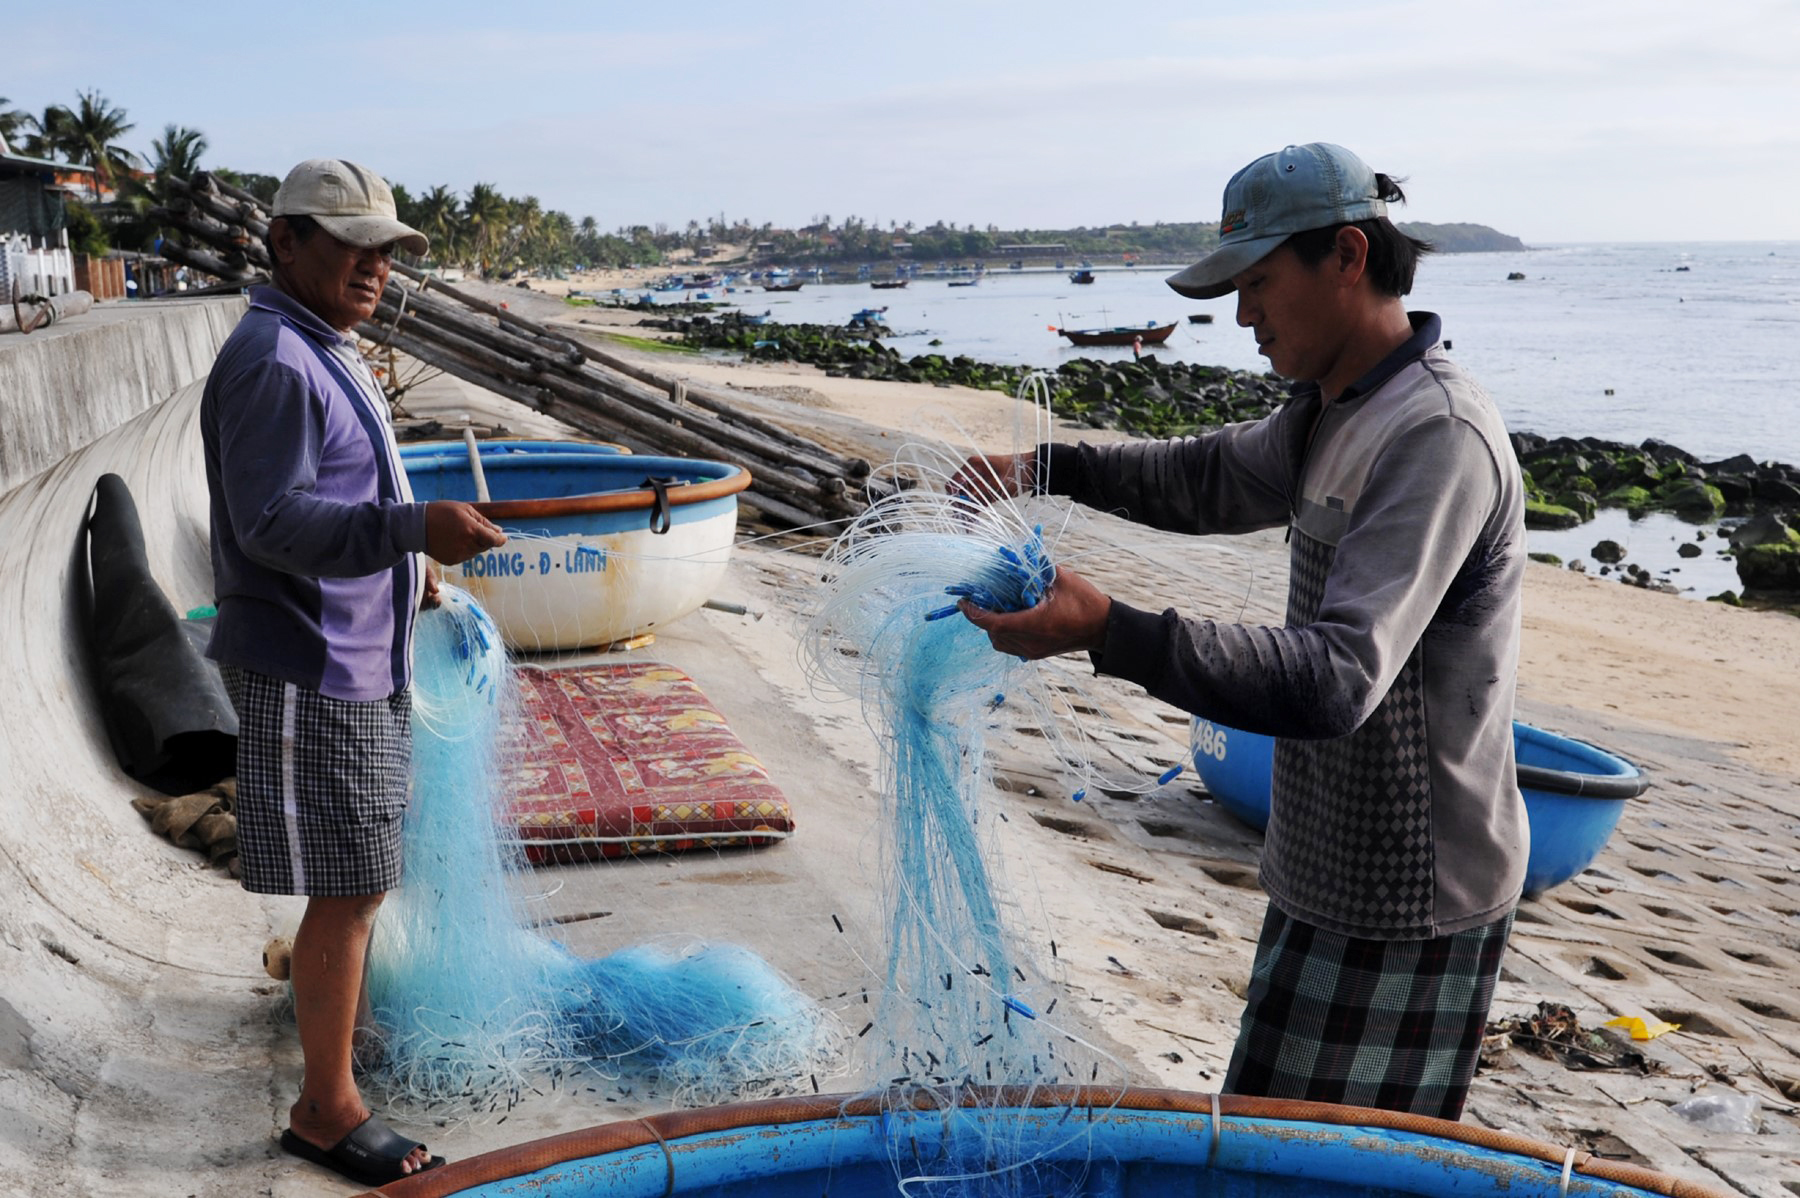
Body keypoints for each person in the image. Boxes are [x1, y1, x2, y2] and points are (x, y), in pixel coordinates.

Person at [950, 143, 1526, 1120]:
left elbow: (1338, 678)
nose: (1243, 315)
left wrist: (1108, 630)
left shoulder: (1435, 434)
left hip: (1409, 900)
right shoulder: (1332, 410)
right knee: (1261, 1146)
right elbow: (1206, 477)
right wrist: (1054, 468)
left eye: (1258, 283)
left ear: (1347, 256)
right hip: (1318, 866)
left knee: (1341, 1181)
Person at [201, 158, 507, 1185]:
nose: (374, 265)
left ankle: (342, 1041)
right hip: (313, 666)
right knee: (353, 885)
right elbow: (274, 522)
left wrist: (409, 566)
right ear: (286, 242)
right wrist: (413, 527)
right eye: (350, 243)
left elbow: (337, 491)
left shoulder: (321, 346)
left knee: (362, 877)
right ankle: (326, 1109)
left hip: (356, 653)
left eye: (386, 249)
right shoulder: (275, 362)